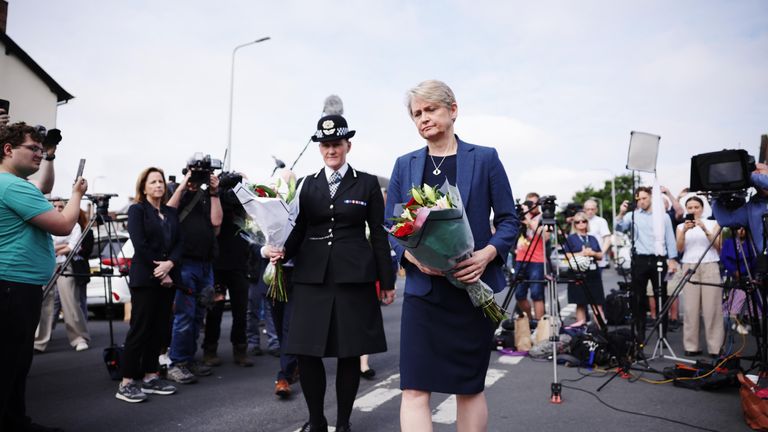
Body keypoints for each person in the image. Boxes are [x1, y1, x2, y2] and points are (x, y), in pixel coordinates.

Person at [385, 80, 518, 432]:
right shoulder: (404, 164)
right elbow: (392, 227)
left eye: (431, 109)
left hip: (472, 290)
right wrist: (413, 259)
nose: (423, 118)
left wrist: (487, 254)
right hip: (423, 294)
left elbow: (508, 220)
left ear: (453, 110)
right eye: (417, 113)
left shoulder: (485, 158)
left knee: (469, 387)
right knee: (413, 387)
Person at [267, 113, 395, 432]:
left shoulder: (366, 184)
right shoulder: (308, 185)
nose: (331, 150)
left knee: (348, 353)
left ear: (347, 145)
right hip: (312, 277)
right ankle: (317, 420)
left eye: (336, 143)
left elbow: (378, 234)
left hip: (354, 278)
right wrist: (280, 251)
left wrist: (387, 281)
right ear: (319, 148)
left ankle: (342, 423)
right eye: (325, 145)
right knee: (307, 352)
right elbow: (297, 229)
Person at [0, 122, 86, 431]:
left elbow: (44, 188)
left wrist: (48, 157)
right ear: (8, 150)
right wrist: (77, 194)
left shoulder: (11, 184)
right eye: (33, 149)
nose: (39, 154)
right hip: (14, 286)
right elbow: (63, 225)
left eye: (41, 149)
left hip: (15, 285)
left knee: (15, 364)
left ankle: (16, 422)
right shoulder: (12, 186)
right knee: (10, 364)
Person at [116, 167, 181, 403]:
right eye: (153, 182)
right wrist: (161, 270)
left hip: (168, 278)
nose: (158, 185)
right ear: (144, 187)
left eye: (161, 181)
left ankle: (151, 376)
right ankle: (127, 382)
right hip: (146, 278)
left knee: (160, 329)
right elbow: (140, 244)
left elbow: (179, 243)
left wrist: (170, 264)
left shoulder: (170, 213)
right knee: (140, 329)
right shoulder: (137, 210)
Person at [166, 168, 222, 382]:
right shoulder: (176, 192)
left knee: (199, 315)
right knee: (184, 315)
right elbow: (168, 214)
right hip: (185, 264)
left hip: (205, 264)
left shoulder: (208, 196)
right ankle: (176, 362)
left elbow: (217, 224)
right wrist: (184, 184)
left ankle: (188, 359)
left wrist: (215, 192)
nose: (197, 180)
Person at [202, 172, 255, 368]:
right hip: (217, 262)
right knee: (214, 310)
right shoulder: (214, 198)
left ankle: (240, 349)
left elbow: (253, 217)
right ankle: (209, 349)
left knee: (241, 310)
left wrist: (246, 185)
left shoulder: (243, 200)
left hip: (239, 263)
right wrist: (217, 190)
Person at [616, 186, 678, 345]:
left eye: (644, 198)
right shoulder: (632, 216)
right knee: (638, 298)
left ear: (650, 197)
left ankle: (662, 334)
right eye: (638, 199)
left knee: (661, 296)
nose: (641, 202)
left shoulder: (662, 217)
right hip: (640, 260)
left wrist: (672, 259)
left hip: (658, 259)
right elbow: (618, 228)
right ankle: (640, 332)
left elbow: (670, 238)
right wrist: (621, 213)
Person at [33, 197, 91, 352]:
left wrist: (59, 247)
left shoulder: (74, 225)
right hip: (47, 264)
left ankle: (79, 338)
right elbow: (43, 245)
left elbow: (73, 247)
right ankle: (39, 341)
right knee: (44, 302)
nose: (58, 209)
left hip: (66, 265)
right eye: (55, 206)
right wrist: (62, 246)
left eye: (61, 206)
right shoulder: (44, 223)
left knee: (71, 300)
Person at [676, 196, 723, 357]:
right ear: (686, 209)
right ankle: (691, 346)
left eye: (696, 207)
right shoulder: (681, 226)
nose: (693, 210)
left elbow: (718, 246)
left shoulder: (713, 223)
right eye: (690, 207)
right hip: (689, 265)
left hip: (710, 265)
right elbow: (680, 248)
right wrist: (684, 231)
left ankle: (715, 347)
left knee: (713, 309)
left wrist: (704, 228)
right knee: (691, 309)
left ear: (703, 209)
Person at [564, 212, 605, 328]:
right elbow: (567, 256)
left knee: (597, 302)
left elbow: (600, 255)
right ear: (574, 224)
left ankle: (602, 330)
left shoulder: (592, 238)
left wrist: (592, 253)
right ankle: (581, 331)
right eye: (577, 222)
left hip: (593, 273)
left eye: (584, 221)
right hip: (577, 272)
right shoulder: (571, 239)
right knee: (580, 302)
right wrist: (581, 254)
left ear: (587, 223)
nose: (581, 224)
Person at [513, 192, 547, 320]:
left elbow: (545, 236)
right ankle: (530, 319)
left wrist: (528, 219)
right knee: (519, 294)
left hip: (537, 260)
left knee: (537, 295)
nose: (531, 205)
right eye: (529, 203)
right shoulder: (521, 216)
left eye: (534, 203)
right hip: (521, 258)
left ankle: (539, 326)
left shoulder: (542, 217)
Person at [582, 199, 611, 269]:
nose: (590, 211)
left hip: (597, 260)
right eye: (588, 209)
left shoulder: (601, 221)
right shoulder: (580, 221)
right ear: (584, 210)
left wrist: (601, 254)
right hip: (582, 261)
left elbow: (607, 240)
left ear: (596, 210)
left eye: (592, 209)